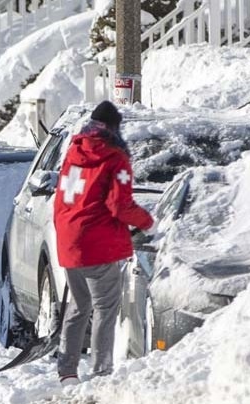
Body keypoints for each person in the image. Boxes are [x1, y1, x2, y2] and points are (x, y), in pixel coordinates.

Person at [53, 100, 154, 386]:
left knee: (78, 305)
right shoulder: (115, 158)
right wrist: (148, 222)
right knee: (105, 308)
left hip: (69, 239)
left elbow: (63, 197)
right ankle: (100, 372)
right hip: (98, 243)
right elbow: (119, 205)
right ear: (113, 127)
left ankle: (67, 371)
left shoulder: (73, 152)